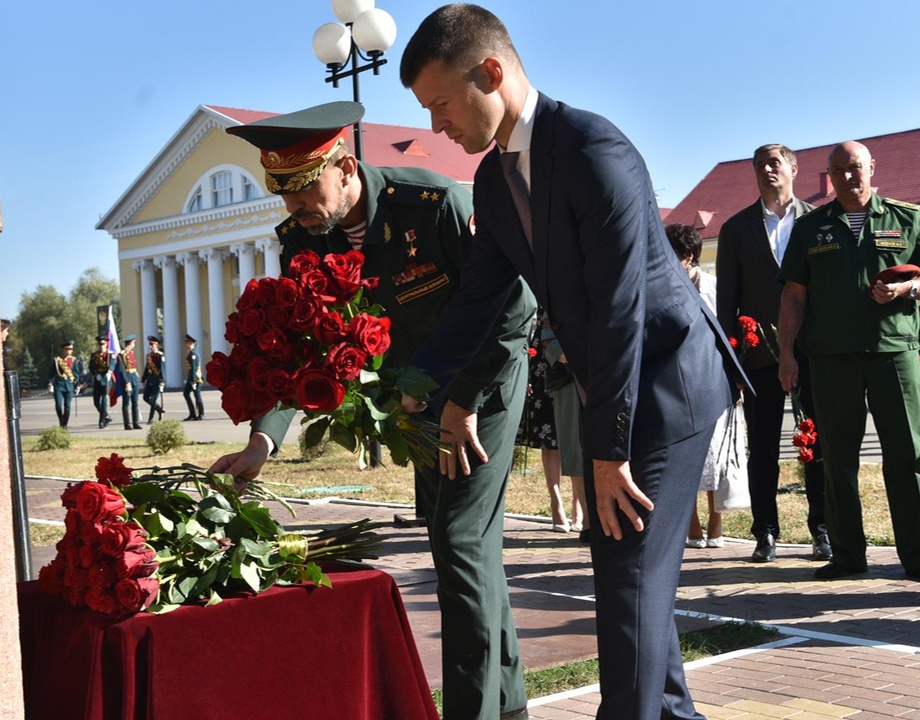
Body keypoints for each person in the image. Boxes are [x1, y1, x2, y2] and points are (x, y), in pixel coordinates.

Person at [399, 6, 742, 720]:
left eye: (439, 104)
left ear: (490, 72)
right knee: (630, 585)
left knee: (627, 585)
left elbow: (621, 312)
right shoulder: (496, 181)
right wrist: (417, 386)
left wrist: (609, 451)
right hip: (617, 389)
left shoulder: (593, 150)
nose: (436, 127)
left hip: (670, 383)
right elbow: (479, 299)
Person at [209, 101, 536, 720]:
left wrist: (463, 403)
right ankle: (509, 705)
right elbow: (301, 349)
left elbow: (514, 310)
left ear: (346, 168)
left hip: (481, 381)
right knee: (467, 546)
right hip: (412, 397)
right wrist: (262, 443)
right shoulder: (303, 239)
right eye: (286, 195)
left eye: (306, 191)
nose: (295, 208)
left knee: (460, 539)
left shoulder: (433, 204)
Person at [778, 140, 920, 581]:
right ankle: (847, 555)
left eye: (855, 167)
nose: (847, 176)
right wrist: (785, 353)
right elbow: (793, 295)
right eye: (838, 170)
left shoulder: (908, 218)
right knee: (838, 455)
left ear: (872, 168)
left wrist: (907, 290)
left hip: (895, 352)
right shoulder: (810, 227)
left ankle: (917, 556)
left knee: (908, 455)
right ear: (829, 175)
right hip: (832, 356)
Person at [717, 143, 829, 564]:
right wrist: (729, 363)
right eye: (760, 164)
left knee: (817, 443)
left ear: (794, 169)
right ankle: (765, 532)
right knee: (762, 448)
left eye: (775, 163)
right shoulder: (735, 229)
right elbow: (726, 301)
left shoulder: (818, 223)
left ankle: (822, 530)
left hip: (813, 351)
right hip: (758, 355)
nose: (768, 170)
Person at [666, 223, 725, 548]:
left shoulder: (714, 287)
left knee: (715, 457)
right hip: (676, 385)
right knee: (684, 459)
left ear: (688, 257)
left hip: (713, 380)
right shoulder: (661, 286)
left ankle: (717, 523)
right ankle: (692, 526)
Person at [517, 309, 585, 534]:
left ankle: (579, 510)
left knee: (577, 436)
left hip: (576, 363)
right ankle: (556, 507)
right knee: (549, 439)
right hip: (544, 362)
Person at [48, 340, 78, 428]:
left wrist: (78, 385)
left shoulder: (74, 360)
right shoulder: (56, 360)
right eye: (68, 349)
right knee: (58, 405)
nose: (70, 351)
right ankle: (61, 420)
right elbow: (51, 373)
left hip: (69, 385)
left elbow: (76, 374)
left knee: (67, 406)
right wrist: (50, 383)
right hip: (59, 385)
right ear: (63, 349)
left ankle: (64, 425)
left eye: (71, 349)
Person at [116, 334, 142, 430]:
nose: (134, 344)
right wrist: (126, 382)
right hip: (127, 379)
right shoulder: (122, 354)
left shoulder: (131, 353)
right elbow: (122, 370)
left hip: (134, 378)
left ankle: (136, 422)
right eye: (133, 343)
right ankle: (127, 424)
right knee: (126, 403)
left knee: (135, 402)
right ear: (129, 343)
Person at [88, 335, 114, 429]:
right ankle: (107, 416)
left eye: (103, 344)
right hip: (98, 380)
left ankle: (101, 421)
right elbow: (91, 367)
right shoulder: (94, 355)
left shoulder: (110, 354)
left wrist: (110, 372)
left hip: (107, 379)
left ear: (106, 344)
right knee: (96, 402)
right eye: (99, 344)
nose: (101, 346)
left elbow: (112, 364)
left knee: (104, 401)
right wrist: (95, 373)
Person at [141, 335, 166, 424]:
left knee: (153, 400)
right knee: (145, 397)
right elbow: (147, 368)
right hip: (150, 379)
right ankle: (160, 409)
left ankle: (150, 419)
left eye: (152, 344)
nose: (151, 346)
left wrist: (162, 381)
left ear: (157, 345)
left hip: (157, 381)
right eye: (150, 344)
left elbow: (163, 369)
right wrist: (143, 379)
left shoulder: (160, 356)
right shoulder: (149, 355)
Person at [182, 334, 204, 421]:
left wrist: (194, 380)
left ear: (190, 343)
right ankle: (192, 413)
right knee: (186, 394)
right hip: (191, 378)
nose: (185, 344)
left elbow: (194, 367)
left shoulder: (194, 354)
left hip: (195, 378)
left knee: (197, 395)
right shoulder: (190, 353)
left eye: (186, 342)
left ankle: (201, 414)